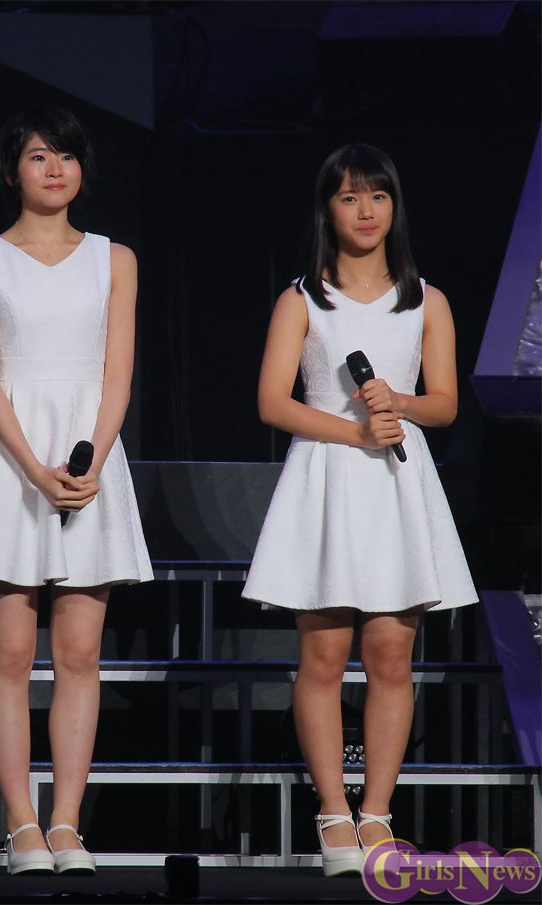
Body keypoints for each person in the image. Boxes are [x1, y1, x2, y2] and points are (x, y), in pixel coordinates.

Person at [242, 144, 477, 876]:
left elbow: (445, 403)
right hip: (327, 478)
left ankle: (376, 812)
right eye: (349, 197)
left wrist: (398, 402)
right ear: (328, 211)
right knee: (322, 657)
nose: (366, 210)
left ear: (394, 207)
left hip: (397, 486)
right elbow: (272, 401)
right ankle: (332, 814)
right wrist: (355, 432)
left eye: (378, 196)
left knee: (391, 658)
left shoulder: (426, 301)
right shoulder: (301, 300)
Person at [0, 107, 153, 875]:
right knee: (12, 650)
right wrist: (32, 466)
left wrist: (92, 460)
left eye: (66, 155)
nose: (54, 168)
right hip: (11, 455)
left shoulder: (114, 258)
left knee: (81, 651)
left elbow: (117, 374)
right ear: (11, 171)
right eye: (37, 155)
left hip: (92, 454)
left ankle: (66, 823)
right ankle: (21, 824)